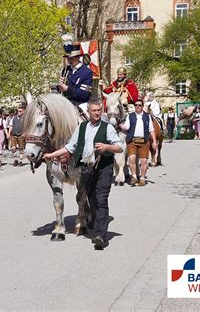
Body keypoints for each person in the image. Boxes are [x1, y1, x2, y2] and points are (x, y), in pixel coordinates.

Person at [43, 99, 124, 250]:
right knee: (92, 199)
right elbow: (70, 147)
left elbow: (120, 147)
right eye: (94, 110)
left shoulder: (107, 128)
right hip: (87, 169)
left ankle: (100, 235)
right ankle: (94, 222)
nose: (97, 113)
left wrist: (107, 147)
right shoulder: (82, 127)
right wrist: (52, 154)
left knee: (101, 200)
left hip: (103, 168)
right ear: (88, 112)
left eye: (99, 110)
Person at [119, 98, 157, 186]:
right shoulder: (130, 115)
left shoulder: (147, 116)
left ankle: (142, 178)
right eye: (136, 105)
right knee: (132, 158)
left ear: (142, 107)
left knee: (144, 161)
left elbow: (151, 129)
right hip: (132, 141)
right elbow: (127, 127)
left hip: (144, 141)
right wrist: (120, 125)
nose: (137, 107)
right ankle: (134, 177)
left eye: (139, 105)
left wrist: (154, 141)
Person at [58, 42, 93, 111]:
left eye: (71, 58)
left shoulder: (87, 72)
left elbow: (84, 95)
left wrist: (67, 89)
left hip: (80, 105)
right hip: (65, 104)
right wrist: (60, 88)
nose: (69, 60)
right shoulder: (65, 70)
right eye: (68, 58)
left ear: (78, 57)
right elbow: (62, 91)